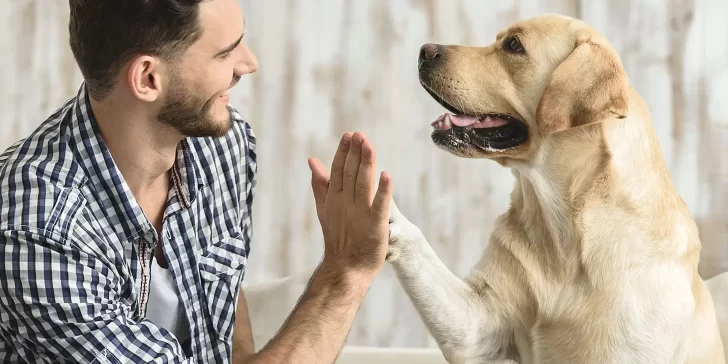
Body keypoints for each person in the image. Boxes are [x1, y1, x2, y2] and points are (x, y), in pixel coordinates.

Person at [0, 0, 393, 363]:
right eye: (226, 52)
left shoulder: (223, 147)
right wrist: (347, 271)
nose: (248, 63)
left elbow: (227, 320)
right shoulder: (38, 232)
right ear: (148, 78)